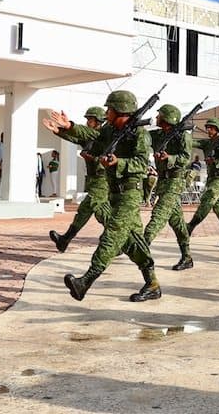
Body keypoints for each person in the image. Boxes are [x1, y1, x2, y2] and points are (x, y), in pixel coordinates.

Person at [63, 90, 160, 303]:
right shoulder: (111, 130)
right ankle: (152, 284)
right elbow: (93, 138)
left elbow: (142, 165)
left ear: (119, 111)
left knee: (112, 235)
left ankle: (85, 281)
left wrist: (119, 162)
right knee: (132, 241)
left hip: (130, 193)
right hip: (114, 192)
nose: (106, 113)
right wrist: (67, 129)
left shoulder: (140, 134)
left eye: (109, 109)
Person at [43, 106, 107, 252]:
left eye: (90, 120)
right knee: (85, 211)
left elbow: (104, 157)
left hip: (102, 179)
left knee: (99, 211)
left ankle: (120, 239)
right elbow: (76, 137)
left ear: (98, 121)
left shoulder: (103, 136)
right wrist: (58, 130)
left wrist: (92, 158)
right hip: (93, 179)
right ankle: (65, 240)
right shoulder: (90, 136)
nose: (87, 122)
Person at [144, 105, 194, 271]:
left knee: (158, 215)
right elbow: (143, 138)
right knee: (177, 222)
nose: (156, 117)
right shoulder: (157, 134)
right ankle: (187, 257)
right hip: (163, 181)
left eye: (159, 115)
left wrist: (169, 157)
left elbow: (186, 158)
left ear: (167, 119)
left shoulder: (182, 136)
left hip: (175, 182)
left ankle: (142, 247)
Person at [186, 118, 219, 248]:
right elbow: (191, 142)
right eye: (207, 127)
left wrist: (214, 161)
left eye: (211, 128)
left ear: (217, 129)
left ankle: (190, 227)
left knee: (208, 199)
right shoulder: (207, 143)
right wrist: (183, 135)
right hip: (211, 178)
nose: (208, 130)